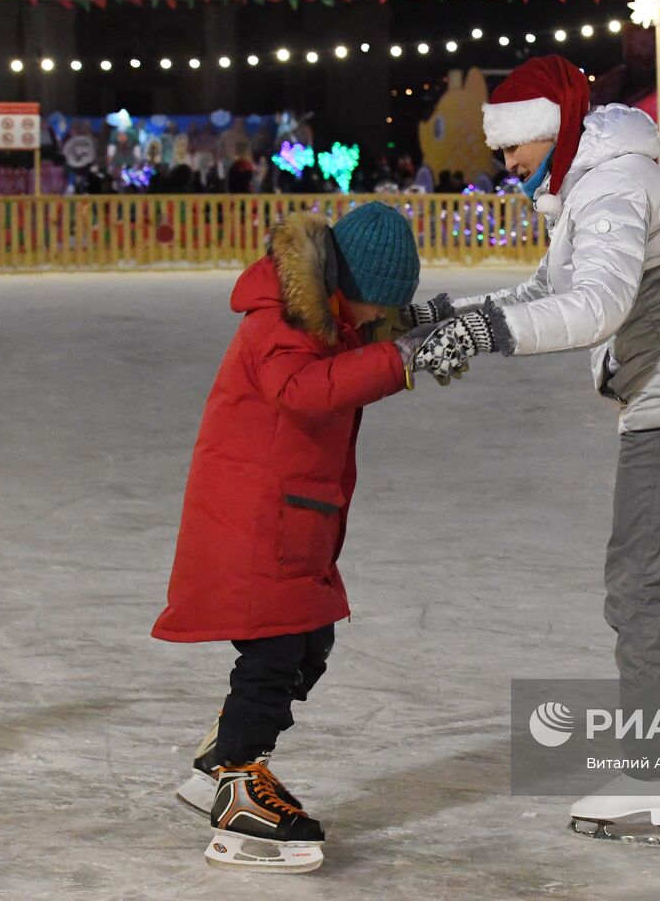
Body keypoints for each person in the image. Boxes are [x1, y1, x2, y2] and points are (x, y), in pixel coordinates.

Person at [397, 54, 660, 842]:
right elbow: (542, 292)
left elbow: (595, 307)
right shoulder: (599, 184)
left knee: (638, 587)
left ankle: (654, 777)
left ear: (547, 130)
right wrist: (442, 315)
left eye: (512, 146)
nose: (507, 164)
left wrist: (485, 335)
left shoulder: (612, 187)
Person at [151, 202, 451, 873]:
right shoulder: (277, 322)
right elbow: (307, 389)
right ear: (351, 289)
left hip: (292, 517)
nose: (376, 324)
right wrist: (403, 357)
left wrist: (425, 328)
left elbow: (355, 350)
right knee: (274, 653)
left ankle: (216, 761)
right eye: (379, 310)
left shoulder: (329, 315)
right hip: (254, 521)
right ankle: (237, 785)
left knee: (310, 641)